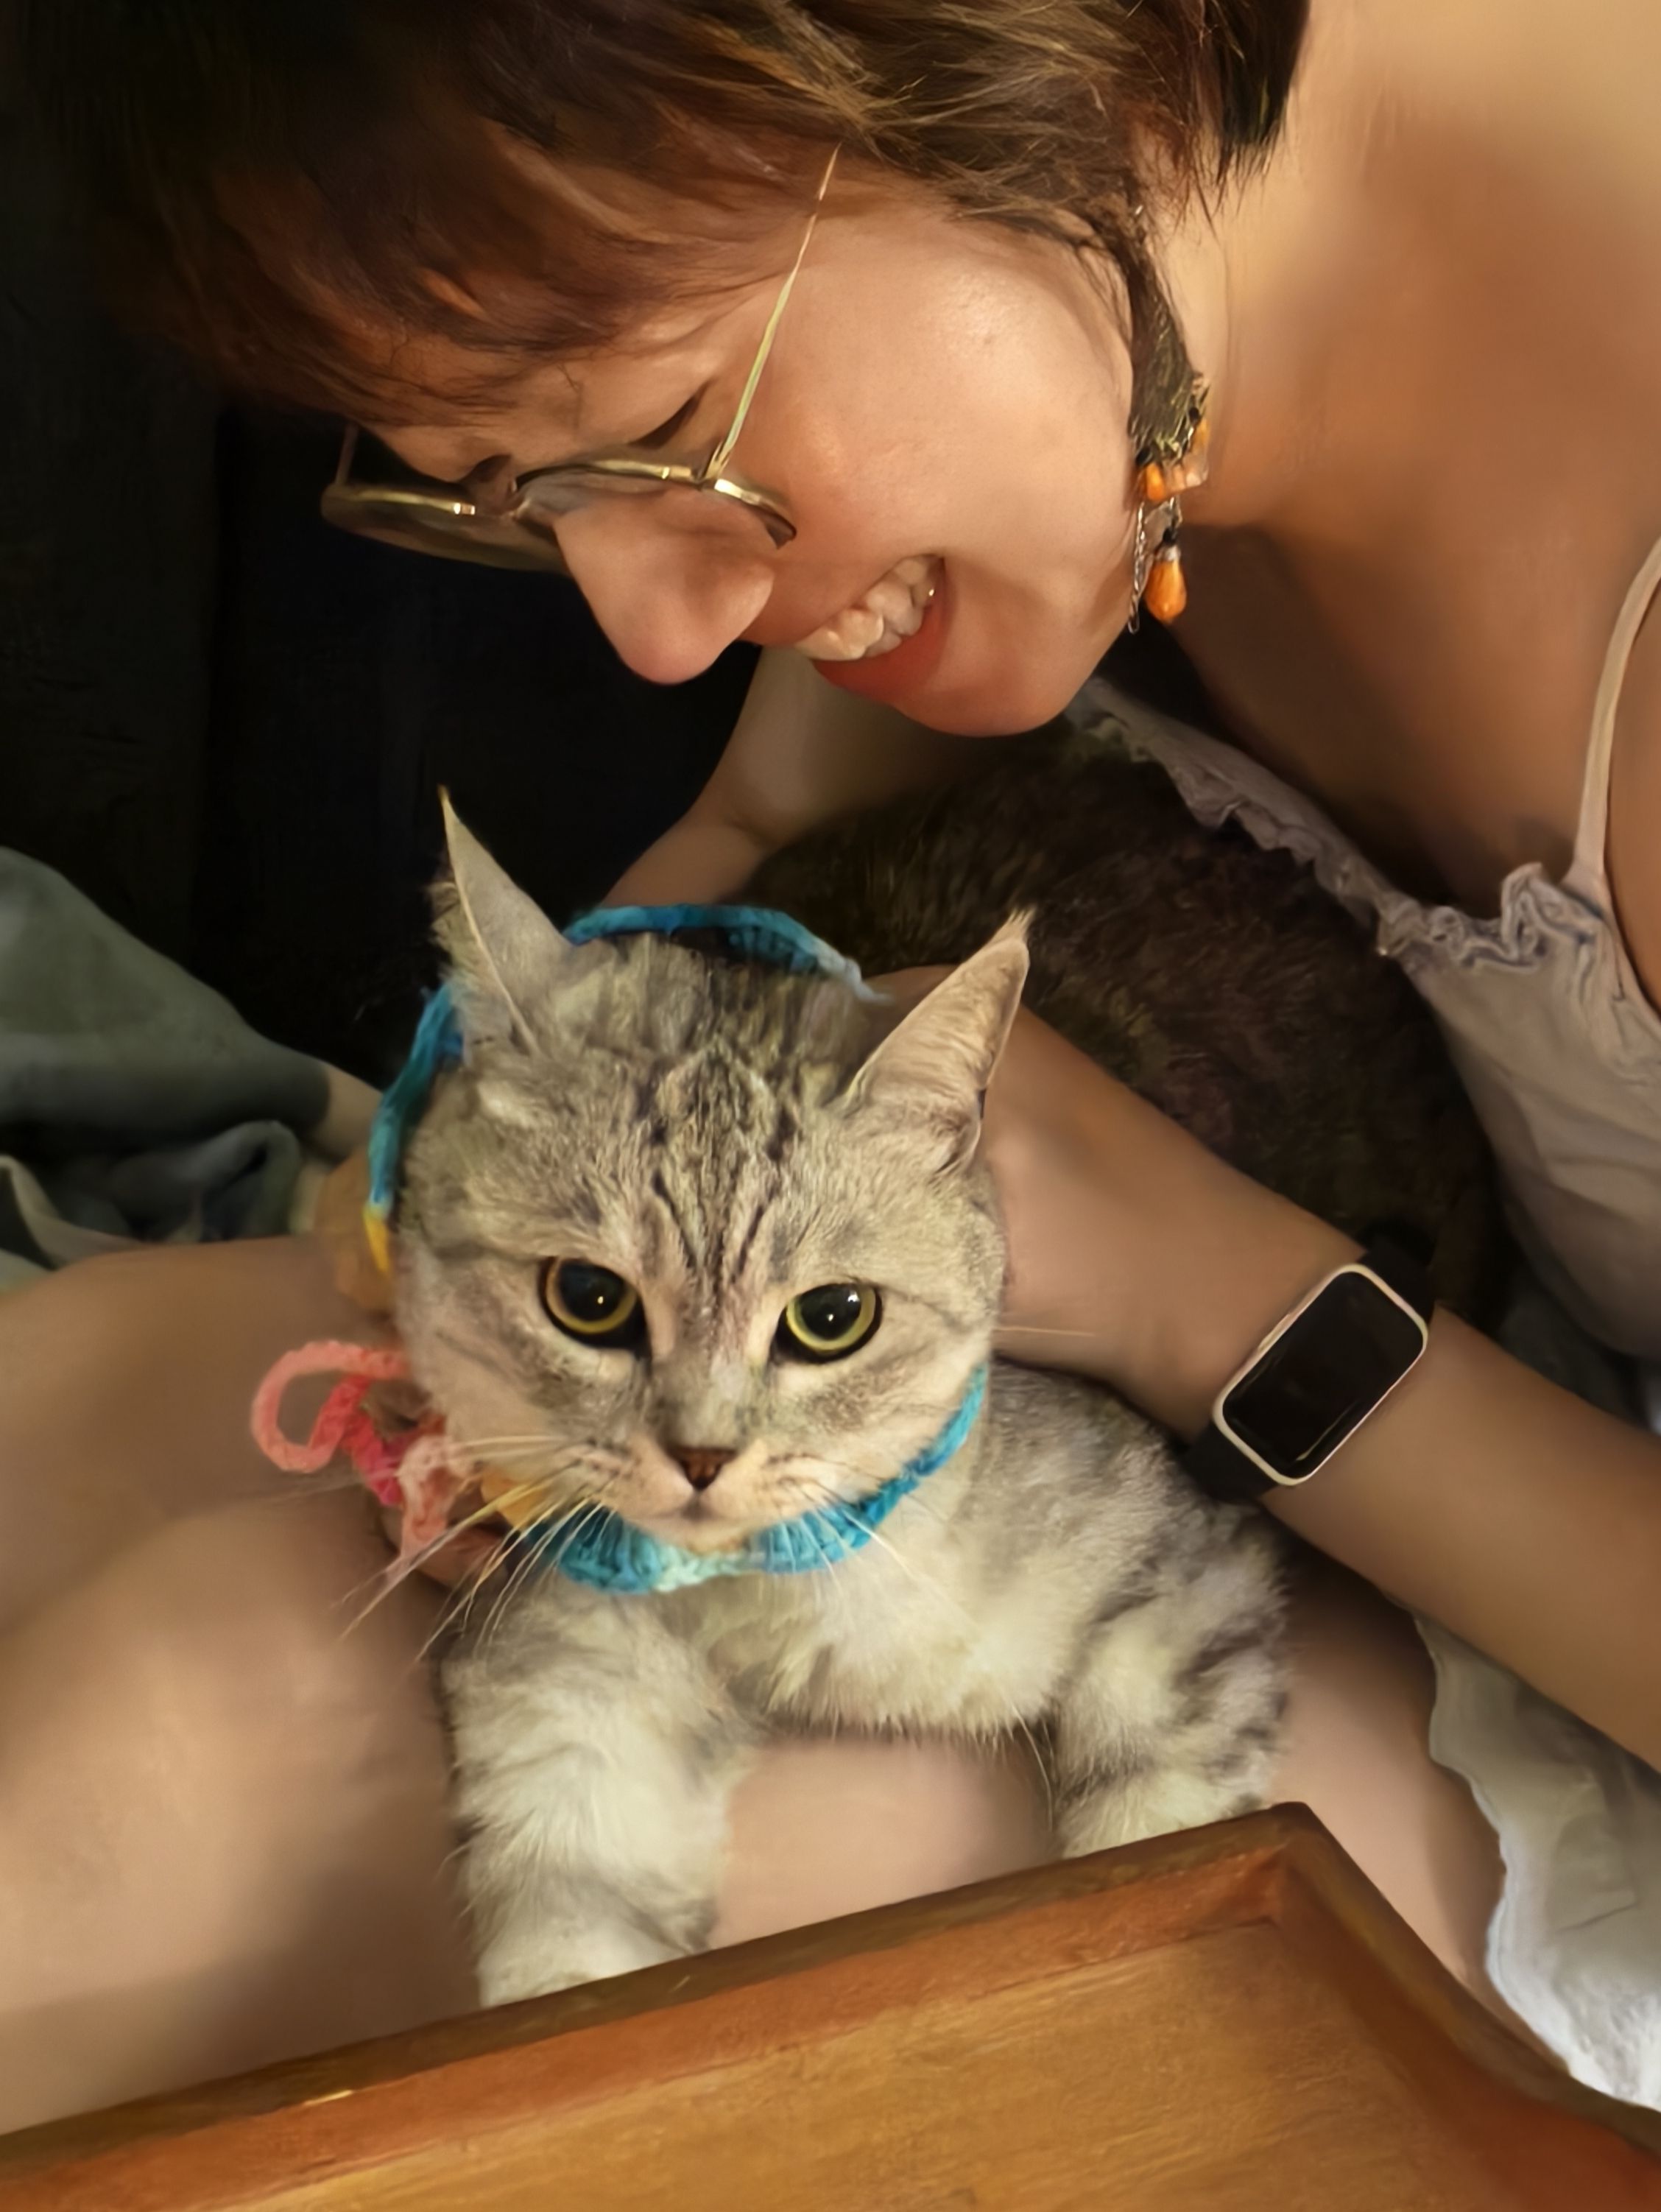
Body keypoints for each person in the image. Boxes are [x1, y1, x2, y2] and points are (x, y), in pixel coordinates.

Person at [7, 0, 1661, 2127]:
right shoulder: (1110, 257)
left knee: (191, 1751)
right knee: (68, 1392)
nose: (657, 632)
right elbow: (754, 836)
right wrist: (490, 1161)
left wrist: (1203, 1291)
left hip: (1564, 1610)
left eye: (663, 427)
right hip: (1169, 1375)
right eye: (522, 496)